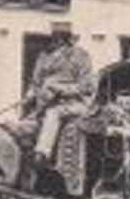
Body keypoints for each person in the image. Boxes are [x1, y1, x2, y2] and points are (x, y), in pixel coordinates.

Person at [22, 25, 94, 171]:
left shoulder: (81, 57)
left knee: (53, 114)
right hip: (45, 104)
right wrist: (28, 96)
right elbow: (36, 83)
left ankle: (42, 154)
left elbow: (87, 87)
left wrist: (60, 89)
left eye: (60, 38)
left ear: (67, 39)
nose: (57, 42)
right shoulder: (44, 57)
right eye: (55, 38)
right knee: (24, 125)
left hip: (75, 105)